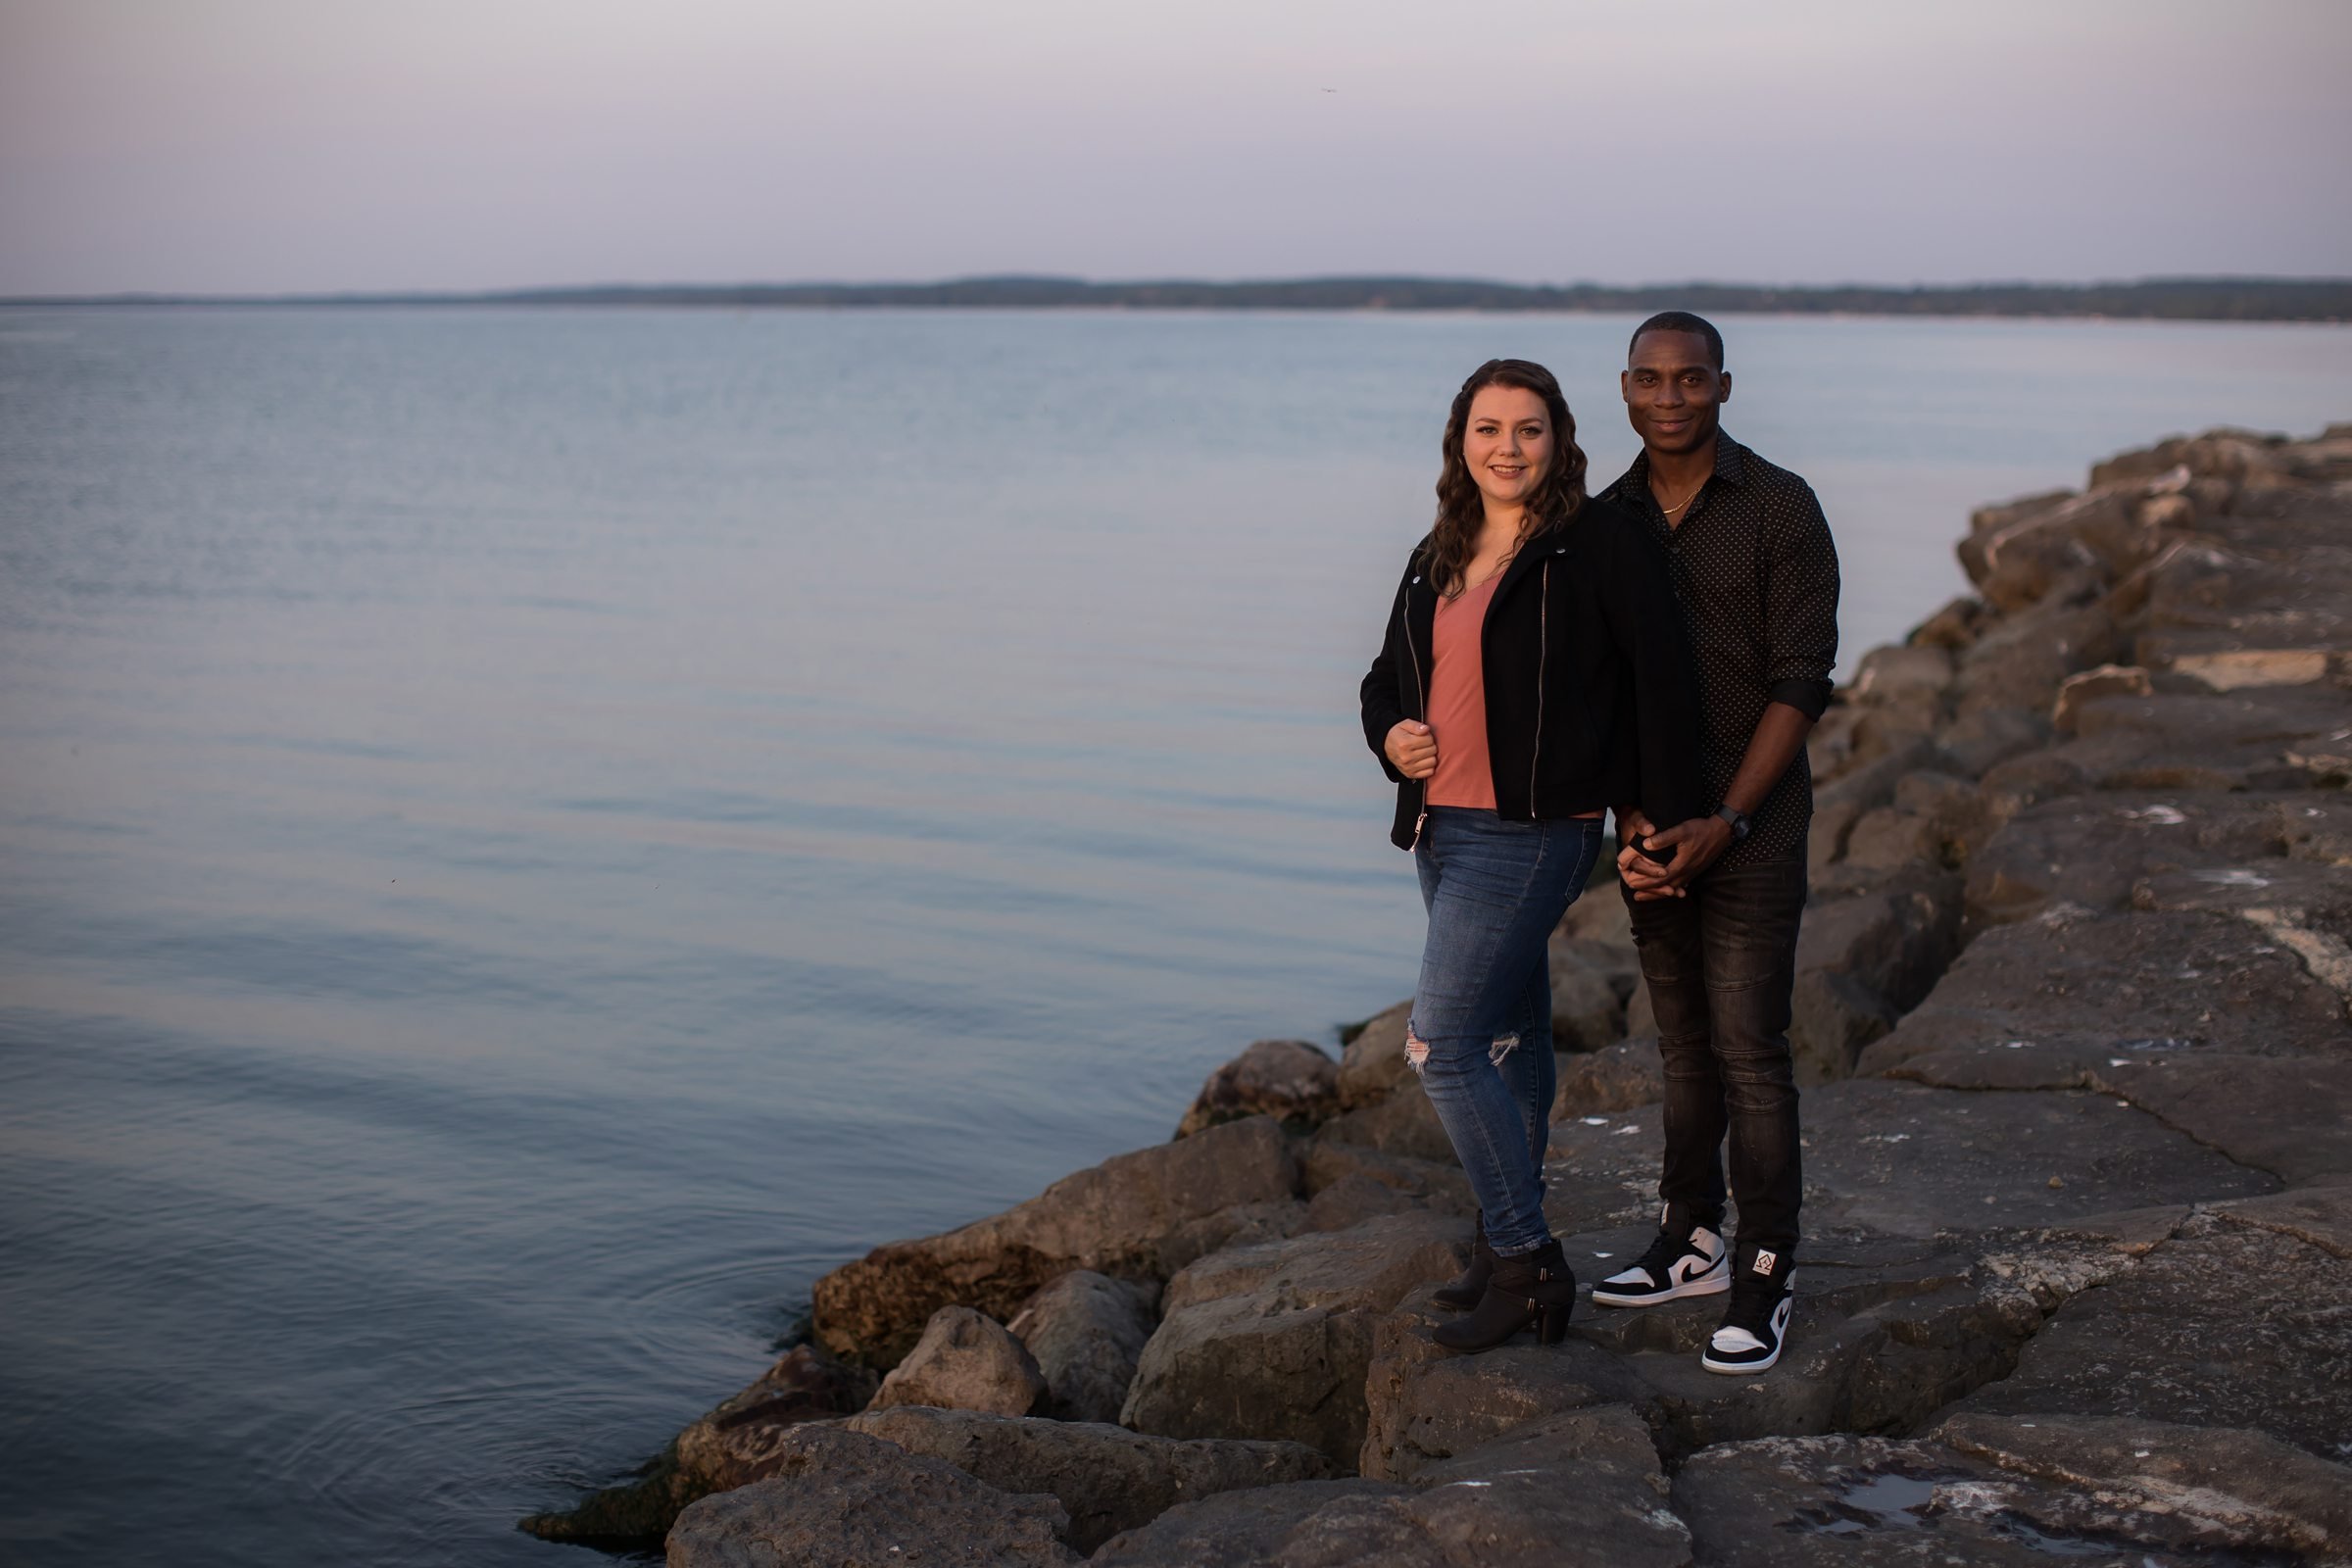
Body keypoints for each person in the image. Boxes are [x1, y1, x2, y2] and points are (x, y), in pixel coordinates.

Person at [1359, 359, 1704, 1353]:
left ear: (1559, 440)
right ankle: (1495, 1244)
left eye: (1529, 429)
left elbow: (1660, 683)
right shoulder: (1440, 549)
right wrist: (1392, 740)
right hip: (1441, 829)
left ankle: (1528, 1262)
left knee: (1441, 1043)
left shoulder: (1595, 543)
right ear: (1460, 441)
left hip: (1537, 833)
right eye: (1488, 428)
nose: (1507, 447)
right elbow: (1385, 679)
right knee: (1509, 1043)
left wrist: (1657, 818)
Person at [1588, 313, 1839, 1376]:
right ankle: (1690, 1237)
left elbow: (1802, 681)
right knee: (1683, 1051)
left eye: (1691, 379)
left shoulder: (1780, 505)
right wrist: (1635, 821)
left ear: (1724, 387)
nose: (1671, 397)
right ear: (1625, 389)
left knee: (1750, 1052)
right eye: (1651, 379)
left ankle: (1767, 1267)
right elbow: (1594, 687)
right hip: (1649, 833)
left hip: (1756, 826)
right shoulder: (1602, 521)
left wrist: (1727, 822)